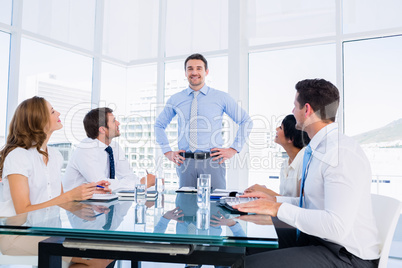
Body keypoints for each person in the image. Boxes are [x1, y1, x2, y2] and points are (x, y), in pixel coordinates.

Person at [233, 79, 380, 268]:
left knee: (246, 266)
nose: (293, 111)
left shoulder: (340, 153)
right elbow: (311, 204)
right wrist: (273, 202)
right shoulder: (318, 149)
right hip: (317, 239)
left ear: (307, 109)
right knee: (242, 247)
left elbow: (336, 226)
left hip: (346, 255)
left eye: (295, 106)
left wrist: (277, 209)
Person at [0, 96, 112, 267]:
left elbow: (59, 199)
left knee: (105, 253)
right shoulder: (18, 156)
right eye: (52, 111)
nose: (58, 113)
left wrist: (87, 198)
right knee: (99, 259)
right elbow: (22, 210)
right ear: (38, 120)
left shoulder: (55, 155)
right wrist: (69, 197)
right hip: (18, 235)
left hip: (48, 230)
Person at [155, 53, 253, 189]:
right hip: (185, 163)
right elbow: (159, 125)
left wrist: (234, 149)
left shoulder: (221, 97)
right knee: (186, 206)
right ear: (185, 72)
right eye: (190, 69)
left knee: (215, 207)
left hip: (213, 162)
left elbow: (246, 121)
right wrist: (167, 151)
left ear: (206, 72)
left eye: (199, 68)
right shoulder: (175, 99)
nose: (194, 72)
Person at [64, 107, 155, 193]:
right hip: (77, 205)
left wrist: (144, 183)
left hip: (101, 203)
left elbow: (127, 175)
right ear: (103, 129)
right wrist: (140, 184)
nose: (118, 123)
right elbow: (102, 184)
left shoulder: (114, 146)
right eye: (114, 121)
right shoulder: (86, 149)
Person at [245, 115, 310, 197]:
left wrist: (266, 192)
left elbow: (303, 204)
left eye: (281, 128)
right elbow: (285, 200)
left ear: (291, 138)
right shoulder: (285, 163)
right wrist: (265, 192)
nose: (276, 129)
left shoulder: (305, 161)